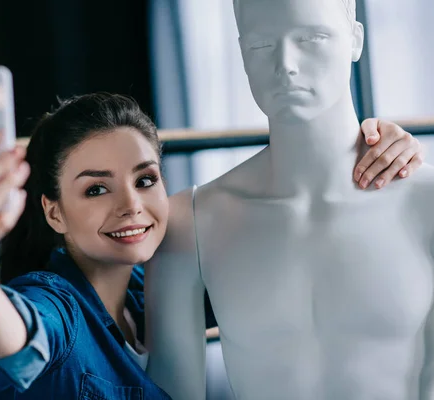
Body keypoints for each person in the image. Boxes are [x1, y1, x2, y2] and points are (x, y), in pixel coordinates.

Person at [0, 92, 422, 399]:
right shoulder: (56, 304)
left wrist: (371, 152)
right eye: (96, 189)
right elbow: (10, 336)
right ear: (53, 210)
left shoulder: (157, 281)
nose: (131, 205)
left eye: (145, 180)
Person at [144, 1, 433, 399]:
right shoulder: (189, 224)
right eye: (261, 46)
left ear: (355, 39)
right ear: (242, 52)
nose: (286, 65)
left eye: (311, 37)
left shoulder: (424, 202)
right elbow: (173, 392)